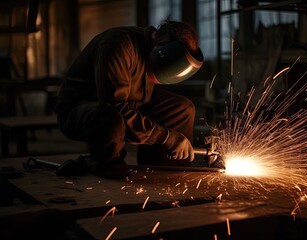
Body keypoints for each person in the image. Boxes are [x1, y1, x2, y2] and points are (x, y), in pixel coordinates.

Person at [54, 20, 204, 177]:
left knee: (182, 108)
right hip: (80, 112)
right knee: (111, 117)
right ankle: (107, 164)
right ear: (160, 46)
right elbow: (115, 105)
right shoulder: (117, 45)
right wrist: (167, 137)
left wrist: (168, 138)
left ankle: (164, 170)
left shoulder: (151, 52)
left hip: (127, 104)